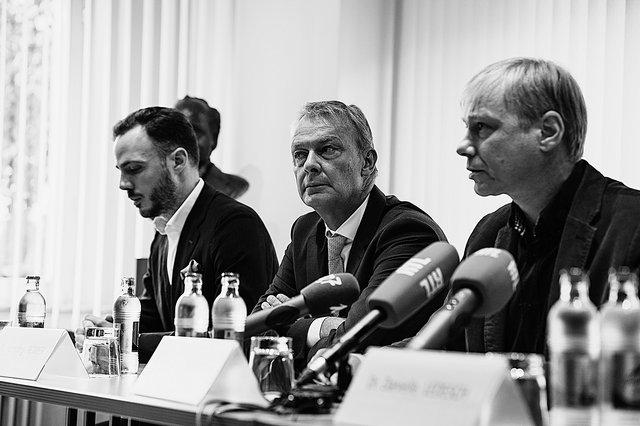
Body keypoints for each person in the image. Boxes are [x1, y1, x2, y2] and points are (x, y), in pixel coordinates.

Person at [455, 57, 640, 355]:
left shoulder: (632, 227)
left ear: (549, 132)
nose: (462, 146)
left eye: (482, 127)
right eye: (467, 128)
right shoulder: (487, 235)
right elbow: (451, 349)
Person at [252, 100, 448, 368]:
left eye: (327, 150)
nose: (309, 164)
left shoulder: (407, 232)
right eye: (299, 154)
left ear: (366, 162)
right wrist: (322, 327)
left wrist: (296, 329)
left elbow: (361, 340)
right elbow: (254, 332)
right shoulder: (305, 230)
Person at [77, 107, 278, 346]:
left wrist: (130, 341)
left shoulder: (236, 226)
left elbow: (232, 336)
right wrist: (115, 329)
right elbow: (154, 319)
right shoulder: (162, 231)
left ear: (178, 161)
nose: (123, 184)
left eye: (134, 169)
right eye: (121, 171)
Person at [175, 96, 249, 199]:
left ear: (213, 137)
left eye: (196, 131)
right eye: (179, 131)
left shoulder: (233, 186)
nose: (186, 139)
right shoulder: (158, 185)